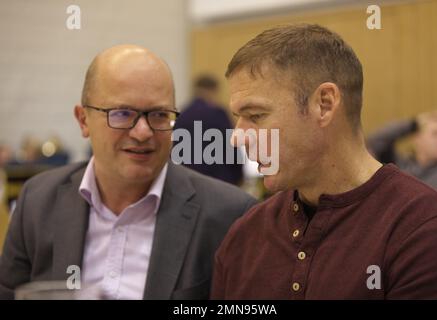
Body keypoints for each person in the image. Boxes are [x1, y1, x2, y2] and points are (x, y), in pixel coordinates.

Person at [211, 24, 437, 299]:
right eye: (238, 118)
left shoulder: (426, 230)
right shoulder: (246, 234)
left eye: (255, 116)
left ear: (324, 104)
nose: (237, 139)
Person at [0, 45, 257, 300]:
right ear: (83, 120)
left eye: (159, 114)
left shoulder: (228, 215)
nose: (143, 132)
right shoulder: (37, 200)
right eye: (122, 113)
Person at [174, 75, 243, 185]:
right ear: (213, 91)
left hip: (186, 183)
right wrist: (239, 177)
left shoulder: (181, 116)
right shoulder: (218, 114)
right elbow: (231, 149)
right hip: (219, 182)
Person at [367, 111, 437, 198]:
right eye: (435, 134)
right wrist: (413, 123)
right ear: (417, 138)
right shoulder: (398, 165)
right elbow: (375, 141)